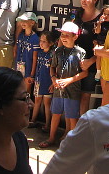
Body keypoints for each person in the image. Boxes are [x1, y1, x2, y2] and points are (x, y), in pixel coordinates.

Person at [39, 21, 87, 149]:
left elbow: (85, 73)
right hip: (58, 89)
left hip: (73, 90)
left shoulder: (80, 52)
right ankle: (51, 138)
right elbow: (52, 67)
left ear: (75, 37)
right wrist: (53, 79)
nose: (64, 38)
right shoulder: (58, 51)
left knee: (72, 117)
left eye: (67, 35)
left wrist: (69, 80)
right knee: (56, 114)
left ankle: (72, 143)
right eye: (62, 35)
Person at [74, 0, 102, 115]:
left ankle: (81, 125)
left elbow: (103, 46)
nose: (83, 1)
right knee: (72, 96)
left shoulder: (101, 19)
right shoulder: (77, 14)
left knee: (85, 96)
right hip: (74, 62)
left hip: (90, 65)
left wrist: (90, 61)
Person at [29, 30, 56, 131]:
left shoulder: (52, 55)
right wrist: (33, 77)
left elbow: (55, 70)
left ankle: (48, 124)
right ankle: (33, 120)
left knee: (47, 103)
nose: (41, 43)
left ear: (51, 43)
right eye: (40, 41)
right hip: (38, 81)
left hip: (48, 82)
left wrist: (53, 84)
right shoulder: (40, 53)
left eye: (44, 41)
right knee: (37, 101)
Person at [14, 11, 40, 94]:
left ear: (32, 23)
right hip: (18, 68)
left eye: (25, 21)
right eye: (22, 21)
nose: (22, 23)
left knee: (26, 92)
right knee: (17, 90)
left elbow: (35, 57)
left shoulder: (35, 38)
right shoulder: (21, 35)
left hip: (28, 69)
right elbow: (17, 51)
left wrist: (32, 74)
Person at [93, 4, 109, 80]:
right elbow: (97, 32)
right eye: (104, 14)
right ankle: (98, 71)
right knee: (99, 56)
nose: (106, 16)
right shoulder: (100, 22)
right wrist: (99, 23)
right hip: (100, 42)